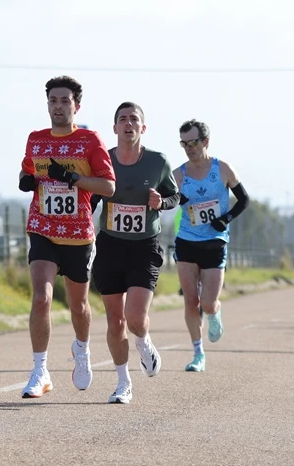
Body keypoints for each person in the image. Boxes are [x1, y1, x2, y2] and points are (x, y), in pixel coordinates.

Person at [17, 75, 115, 398]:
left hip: (78, 234)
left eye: (64, 101)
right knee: (41, 298)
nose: (58, 107)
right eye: (53, 100)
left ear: (76, 106)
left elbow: (108, 186)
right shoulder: (35, 139)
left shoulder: (89, 140)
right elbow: (28, 169)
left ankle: (82, 350)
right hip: (42, 227)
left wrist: (73, 177)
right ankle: (39, 371)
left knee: (79, 306)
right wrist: (26, 180)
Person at [89, 102, 180, 403]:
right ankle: (123, 382)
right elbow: (91, 198)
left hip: (144, 246)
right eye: (123, 119)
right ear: (115, 127)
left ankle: (143, 341)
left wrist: (161, 202)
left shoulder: (158, 162)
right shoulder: (103, 160)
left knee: (135, 316)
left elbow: (174, 196)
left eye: (134, 119)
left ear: (143, 127)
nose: (128, 124)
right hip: (110, 245)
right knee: (116, 321)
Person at [172, 120, 249, 372]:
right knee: (190, 301)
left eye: (193, 143)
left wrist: (226, 219)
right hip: (187, 241)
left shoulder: (223, 169)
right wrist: (173, 199)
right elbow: (167, 200)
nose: (189, 148)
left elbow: (244, 200)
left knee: (206, 303)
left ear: (205, 141)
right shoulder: (178, 175)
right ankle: (198, 354)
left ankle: (214, 311)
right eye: (184, 144)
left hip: (215, 243)